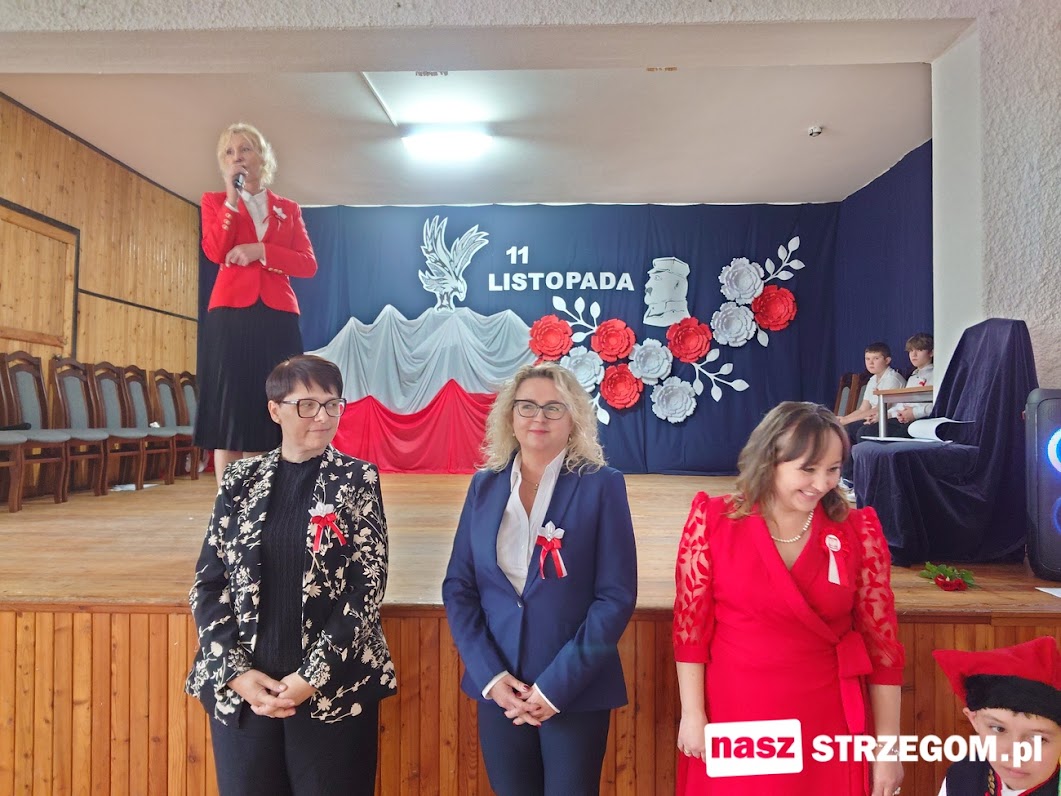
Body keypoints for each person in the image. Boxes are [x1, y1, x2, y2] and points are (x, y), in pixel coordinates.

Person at [186, 355, 396, 796]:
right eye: (307, 405)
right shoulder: (240, 478)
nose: (322, 416)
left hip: (332, 686)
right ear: (274, 410)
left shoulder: (356, 479)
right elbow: (209, 582)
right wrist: (236, 672)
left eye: (332, 404)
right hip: (245, 689)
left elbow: (367, 585)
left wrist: (310, 678)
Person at [673, 401, 905, 795]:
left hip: (825, 715)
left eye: (833, 469)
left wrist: (887, 749)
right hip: (738, 709)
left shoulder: (857, 530)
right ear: (770, 460)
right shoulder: (713, 520)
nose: (822, 483)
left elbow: (883, 649)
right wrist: (693, 714)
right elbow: (690, 630)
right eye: (808, 469)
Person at [442, 362, 638, 796]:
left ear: (574, 418)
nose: (539, 417)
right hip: (501, 690)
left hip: (574, 689)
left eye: (554, 408)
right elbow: (459, 587)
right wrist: (491, 676)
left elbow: (615, 596)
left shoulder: (602, 485)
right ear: (510, 415)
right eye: (527, 406)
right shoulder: (484, 486)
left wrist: (555, 687)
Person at [195, 122, 318, 486]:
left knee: (276, 401)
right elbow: (215, 250)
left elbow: (307, 264)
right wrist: (232, 201)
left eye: (245, 149)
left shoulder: (288, 209)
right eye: (229, 152)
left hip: (277, 315)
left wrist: (261, 250)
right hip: (230, 314)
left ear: (261, 156)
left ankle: (266, 494)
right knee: (230, 407)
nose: (238, 157)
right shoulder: (214, 202)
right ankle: (230, 501)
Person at [934, 637, 1061, 795]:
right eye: (999, 729)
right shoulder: (962, 776)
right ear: (974, 720)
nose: (1016, 755)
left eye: (1038, 739)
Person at [839, 342, 905, 486]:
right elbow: (863, 408)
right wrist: (844, 419)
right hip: (874, 418)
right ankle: (849, 478)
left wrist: (846, 420)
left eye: (876, 358)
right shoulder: (872, 380)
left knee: (861, 431)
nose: (870, 363)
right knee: (846, 429)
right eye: (867, 359)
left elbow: (879, 409)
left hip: (891, 419)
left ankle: (865, 479)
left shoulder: (893, 379)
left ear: (887, 360)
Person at [884, 333, 935, 434]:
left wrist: (914, 413)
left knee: (897, 435)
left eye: (919, 350)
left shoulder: (937, 374)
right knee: (867, 430)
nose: (913, 355)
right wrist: (886, 415)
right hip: (905, 418)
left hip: (924, 419)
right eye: (911, 351)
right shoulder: (913, 377)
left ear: (931, 353)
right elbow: (904, 403)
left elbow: (939, 405)